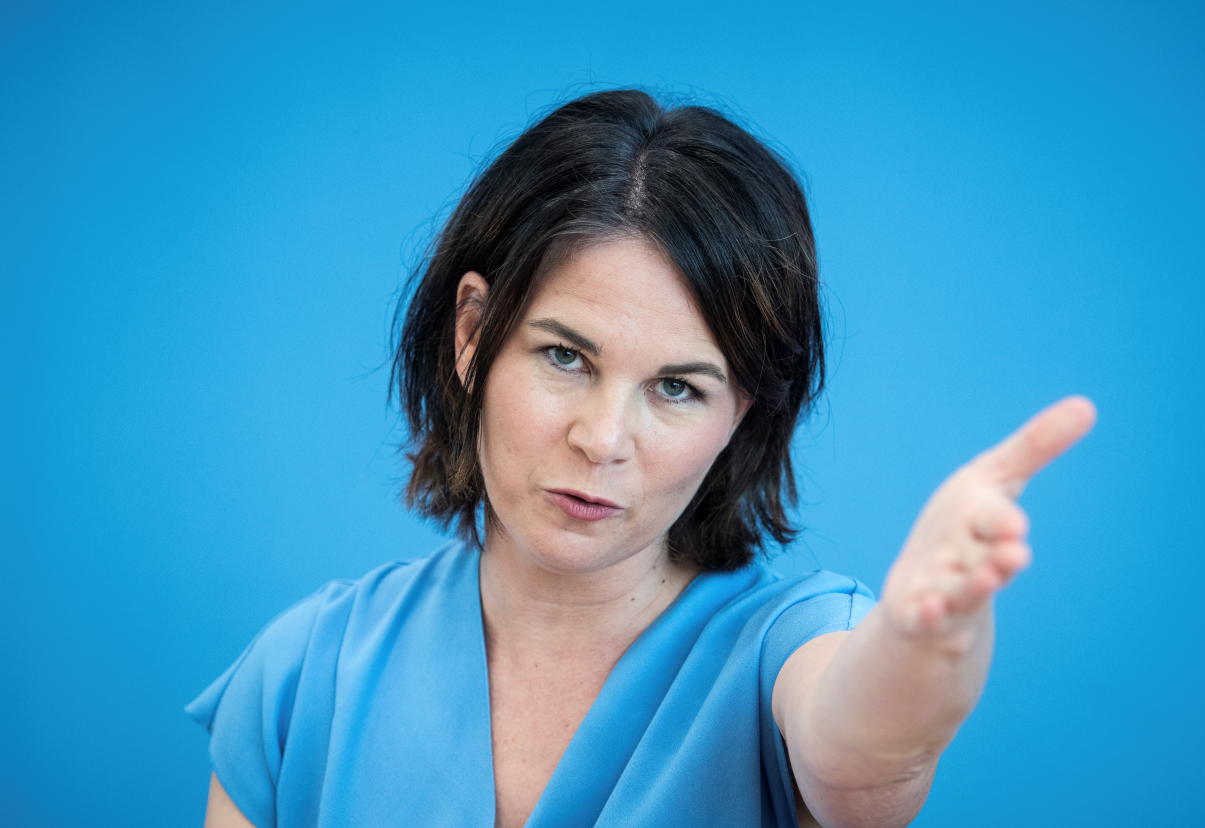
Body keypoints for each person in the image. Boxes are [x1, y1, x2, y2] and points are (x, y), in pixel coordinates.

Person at [184, 88, 1097, 828]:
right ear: (472, 335)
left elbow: (862, 753)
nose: (602, 438)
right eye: (565, 357)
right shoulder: (304, 674)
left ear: (742, 411)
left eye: (677, 388)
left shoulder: (787, 652)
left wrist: (926, 642)